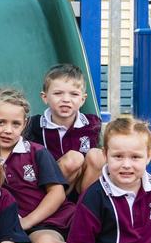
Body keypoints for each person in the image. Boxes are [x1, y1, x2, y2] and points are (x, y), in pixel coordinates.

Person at [0, 85, 74, 243]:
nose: (8, 130)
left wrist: (26, 222)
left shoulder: (36, 152)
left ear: (24, 124)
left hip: (61, 217)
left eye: (15, 124)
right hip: (40, 231)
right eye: (0, 123)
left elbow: (57, 194)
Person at [23, 63, 105, 194]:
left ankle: (86, 209)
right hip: (48, 188)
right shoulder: (34, 125)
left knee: (98, 155)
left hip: (81, 187)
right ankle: (55, 206)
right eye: (58, 93)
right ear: (45, 97)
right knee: (74, 159)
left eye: (74, 94)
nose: (66, 99)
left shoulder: (93, 124)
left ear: (83, 99)